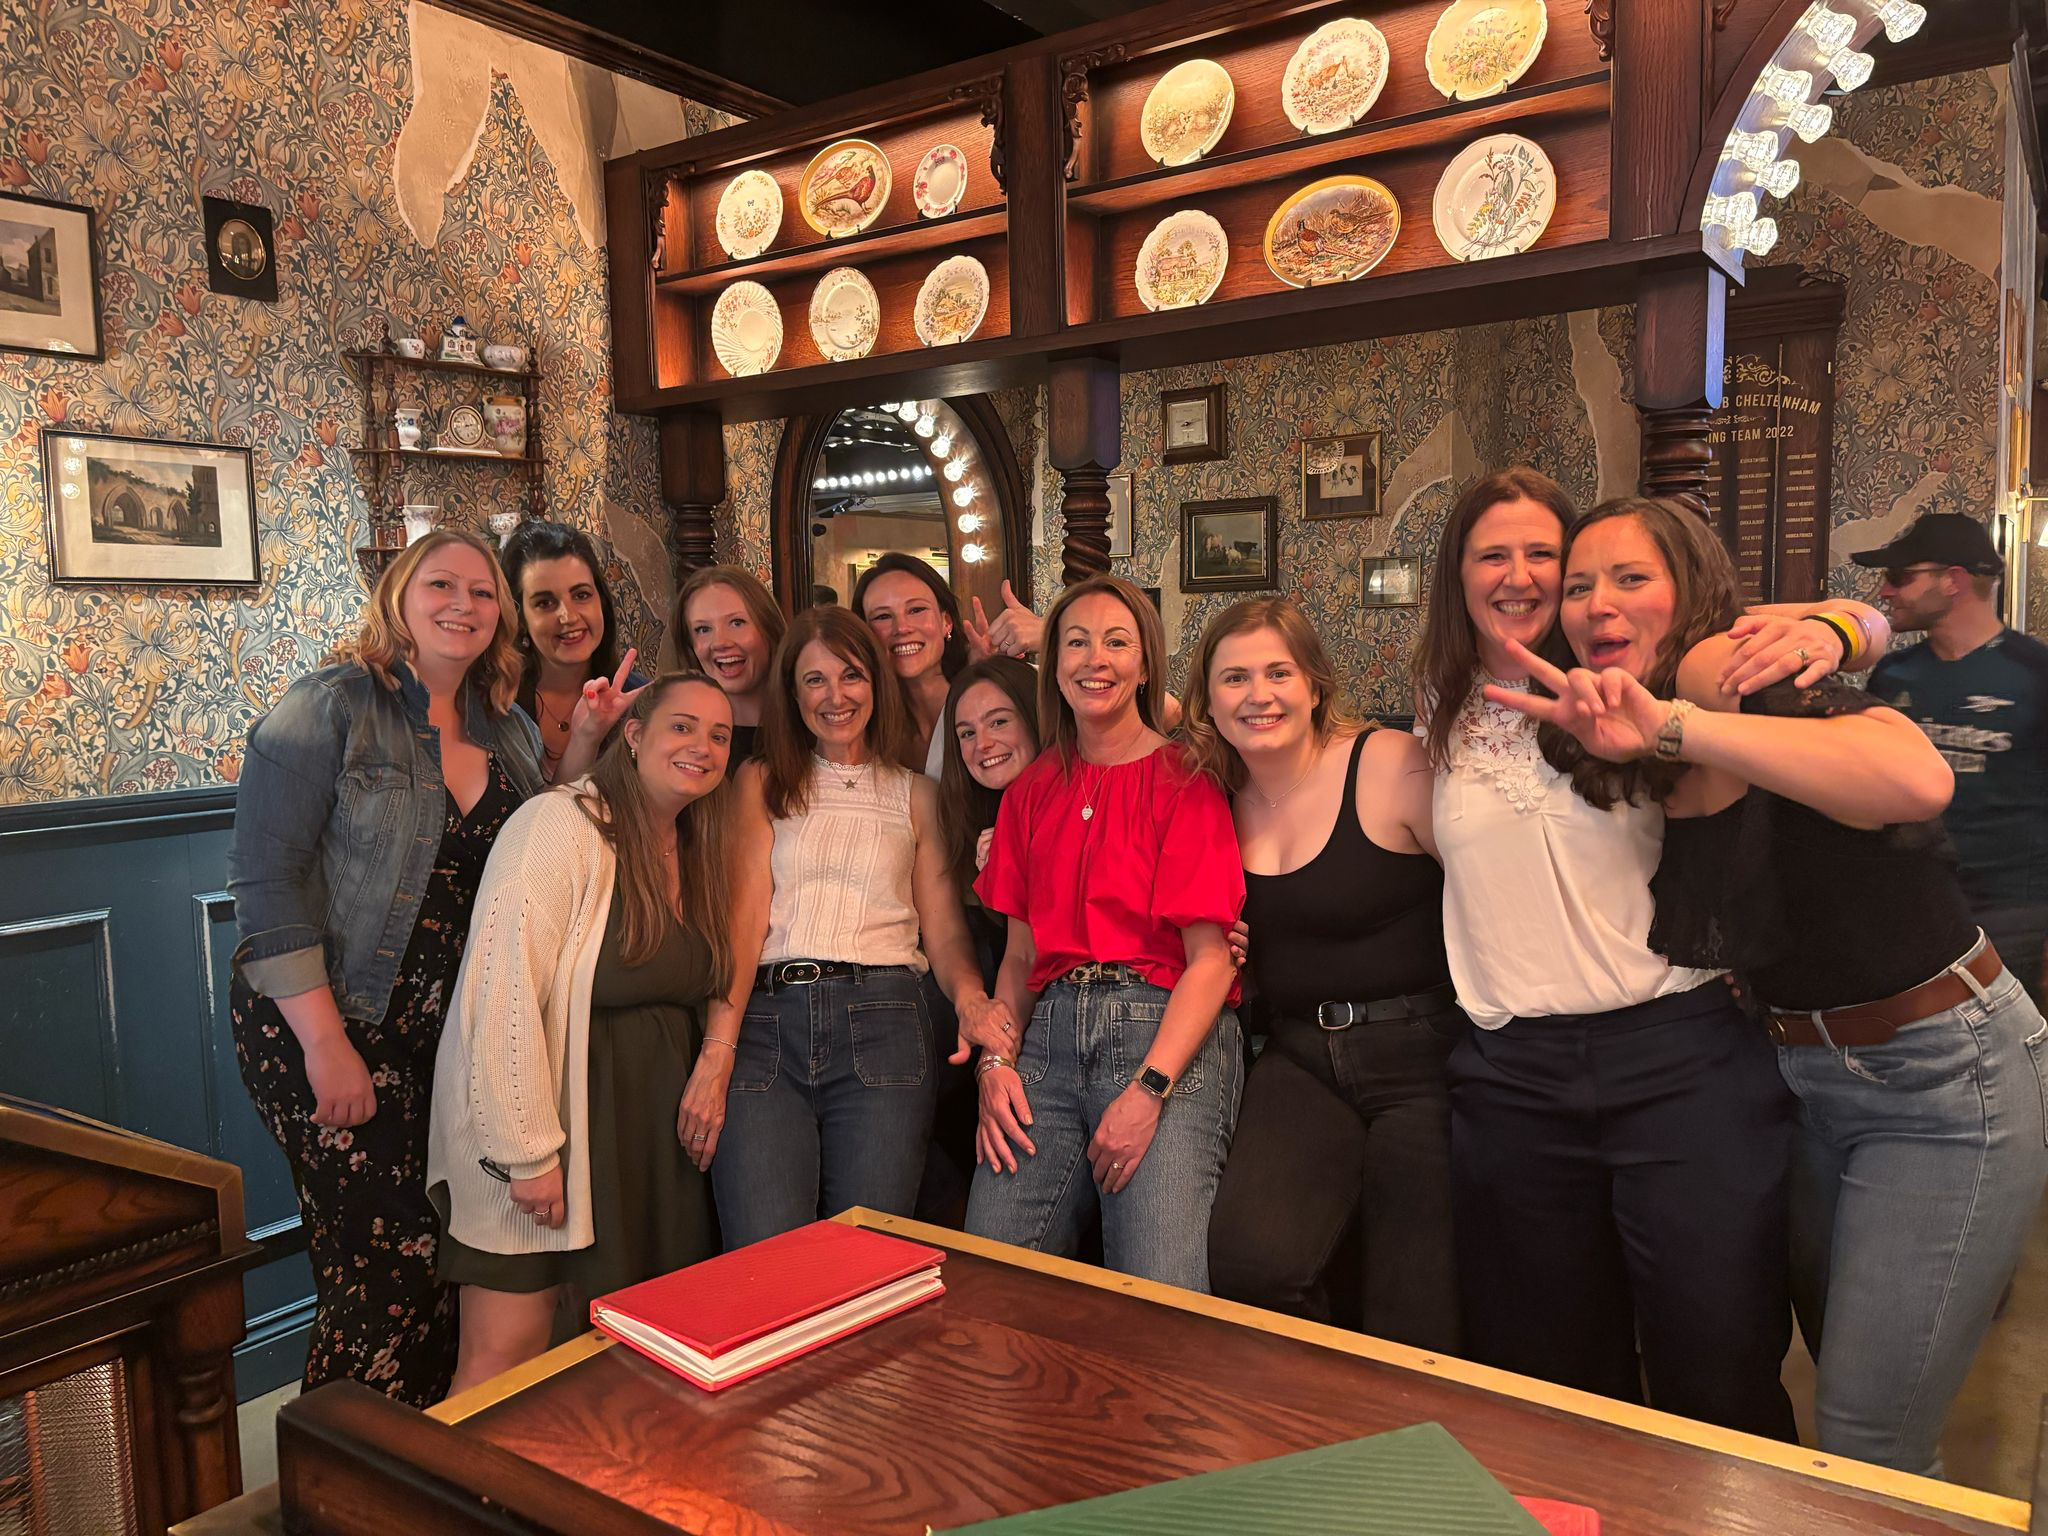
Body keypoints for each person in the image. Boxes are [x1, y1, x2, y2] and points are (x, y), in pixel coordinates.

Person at [1492, 495, 2047, 1477]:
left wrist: (1679, 726)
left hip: (1939, 1070)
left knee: (1868, 1435)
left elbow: (1913, 779)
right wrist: (1848, 621)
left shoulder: (1715, 672)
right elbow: (1857, 617)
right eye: (1578, 585)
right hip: (1801, 1076)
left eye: (1628, 577)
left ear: (1690, 592)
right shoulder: (1625, 703)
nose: (1594, 602)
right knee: (1845, 1390)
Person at [1416, 468, 1874, 1438]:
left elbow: (1836, 622)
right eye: (1489, 553)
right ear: (1455, 575)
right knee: (1544, 1383)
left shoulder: (1664, 676)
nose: (1518, 574)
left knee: (1716, 1367)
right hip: (1511, 1081)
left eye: (1543, 553)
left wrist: (1845, 630)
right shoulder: (1438, 707)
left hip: (1679, 1062)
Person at [225, 530, 544, 1406]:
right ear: (399, 595)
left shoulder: (508, 727)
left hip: (445, 1035)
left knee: (439, 1251)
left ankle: (419, 1466)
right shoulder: (331, 704)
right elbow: (266, 878)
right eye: (442, 584)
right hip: (331, 1018)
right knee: (385, 1263)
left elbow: (536, 855)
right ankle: (343, 1482)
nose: (464, 605)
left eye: (485, 593)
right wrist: (326, 1046)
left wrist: (585, 743)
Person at [428, 673, 739, 1393]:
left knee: (628, 1368)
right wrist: (526, 1152)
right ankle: (458, 1504)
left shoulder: (696, 845)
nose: (702, 746)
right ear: (632, 735)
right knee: (505, 1359)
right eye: (683, 727)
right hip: (557, 1132)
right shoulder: (559, 824)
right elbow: (500, 990)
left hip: (649, 1146)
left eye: (720, 735)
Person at [1184, 598, 1462, 1349]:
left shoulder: (1390, 763)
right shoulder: (1211, 794)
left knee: (1416, 1308)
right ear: (1207, 699)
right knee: (1247, 1262)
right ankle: (1324, 1420)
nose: (1258, 694)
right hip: (1301, 1057)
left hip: (1421, 1055)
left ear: (1314, 683)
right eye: (1234, 677)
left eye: (1278, 672)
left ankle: (1403, 1452)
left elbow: (1489, 890)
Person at [967, 575, 1244, 1291]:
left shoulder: (1187, 778)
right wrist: (994, 1065)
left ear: (1145, 664)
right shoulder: (1033, 790)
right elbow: (1020, 956)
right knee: (987, 1277)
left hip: (1161, 1032)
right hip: (1048, 1036)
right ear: (1053, 664)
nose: (1096, 659)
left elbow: (1211, 960)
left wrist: (1149, 1089)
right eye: (1077, 642)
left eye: (1117, 642)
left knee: (1160, 1288)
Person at [714, 607, 1018, 1246]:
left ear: (875, 684)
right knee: (762, 1255)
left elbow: (942, 927)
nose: (834, 697)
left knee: (865, 1257)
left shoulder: (917, 794)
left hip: (884, 1017)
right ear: (792, 694)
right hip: (767, 1019)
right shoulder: (760, 782)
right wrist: (716, 1054)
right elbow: (743, 924)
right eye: (814, 681)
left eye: (850, 676)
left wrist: (970, 1001)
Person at [1856, 513, 2048, 1007]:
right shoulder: (1893, 674)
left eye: (1899, 577)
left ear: (1953, 580)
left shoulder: (2035, 673)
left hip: (2010, 913)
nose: (1884, 591)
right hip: (1907, 902)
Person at [920, 655, 1042, 1224]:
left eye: (999, 722)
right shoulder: (967, 815)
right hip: (997, 1006)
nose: (982, 743)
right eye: (966, 732)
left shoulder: (1083, 794)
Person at [500, 520, 645, 783]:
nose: (567, 616)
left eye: (581, 595)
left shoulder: (639, 700)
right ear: (519, 618)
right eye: (545, 603)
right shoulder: (496, 704)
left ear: (601, 600)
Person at [853, 552, 969, 776]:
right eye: (882, 617)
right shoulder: (863, 727)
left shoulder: (989, 702)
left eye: (916, 610)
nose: (902, 628)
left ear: (946, 622)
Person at [676, 564, 786, 764]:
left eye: (737, 623)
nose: (720, 642)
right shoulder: (676, 738)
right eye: (703, 629)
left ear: (770, 628)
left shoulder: (813, 727)